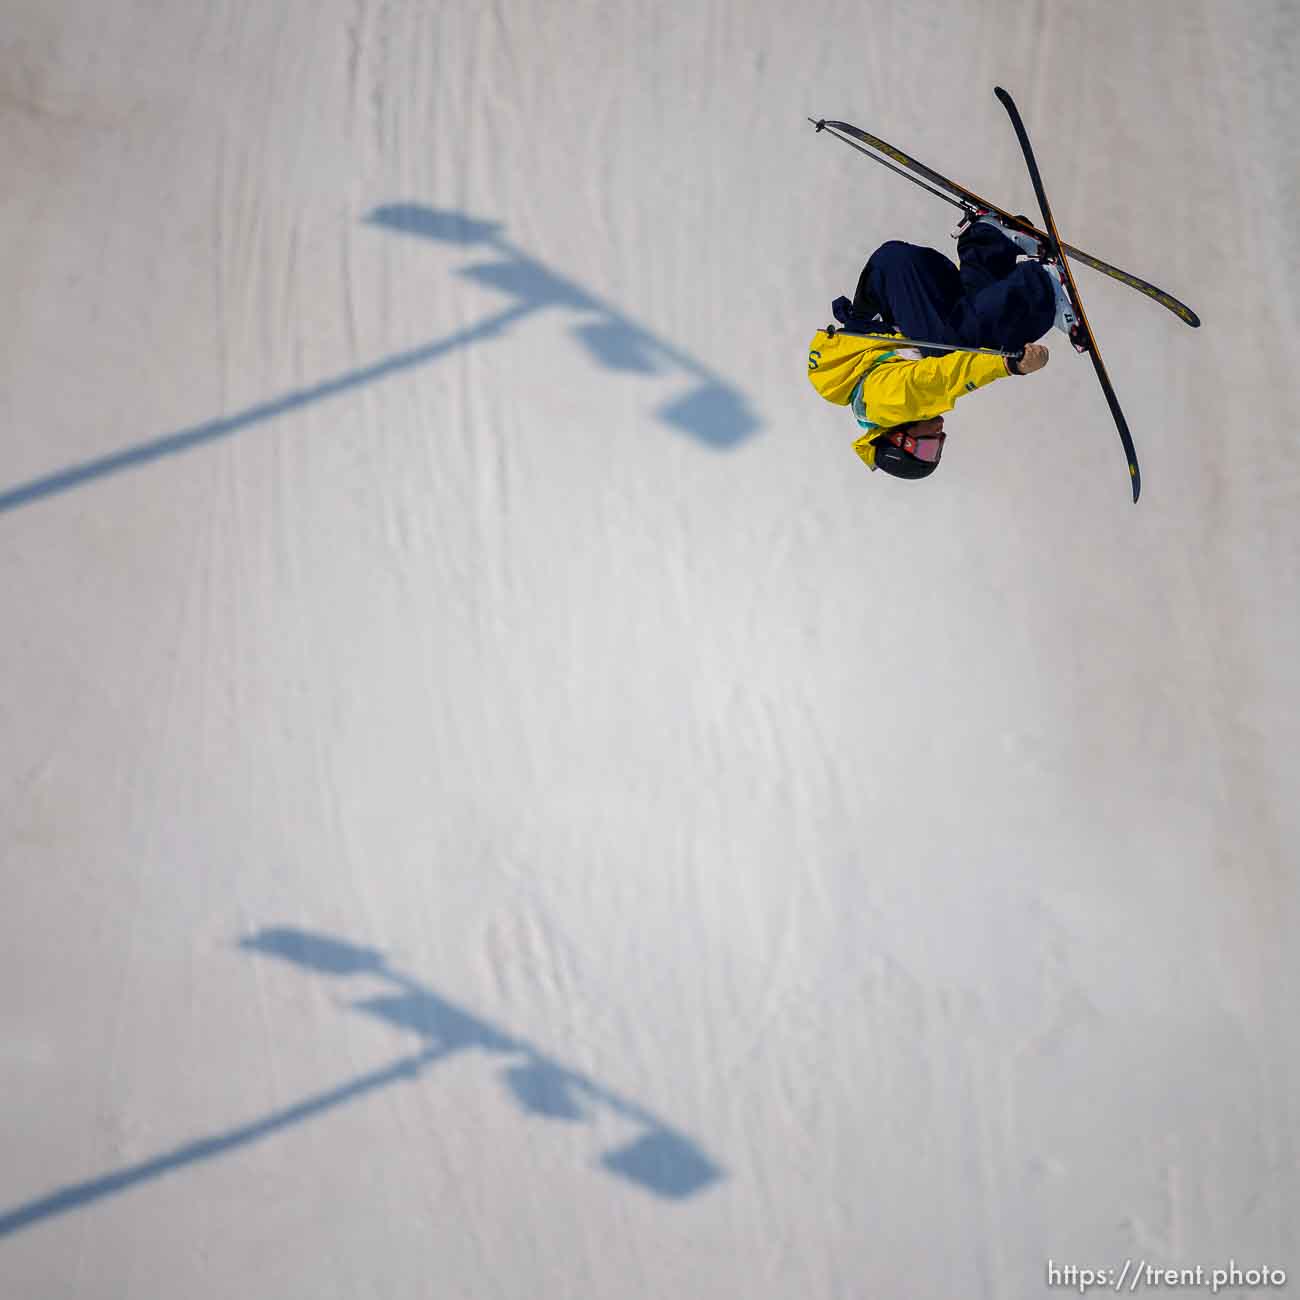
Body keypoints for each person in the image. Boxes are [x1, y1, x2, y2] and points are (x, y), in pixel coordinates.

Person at [807, 216, 1076, 478]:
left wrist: (1009, 365)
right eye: (938, 448)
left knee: (960, 350)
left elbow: (941, 377)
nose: (940, 433)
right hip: (905, 281)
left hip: (900, 278)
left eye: (928, 446)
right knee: (963, 328)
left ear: (900, 439)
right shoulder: (880, 401)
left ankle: (1044, 286)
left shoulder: (886, 404)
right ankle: (989, 237)